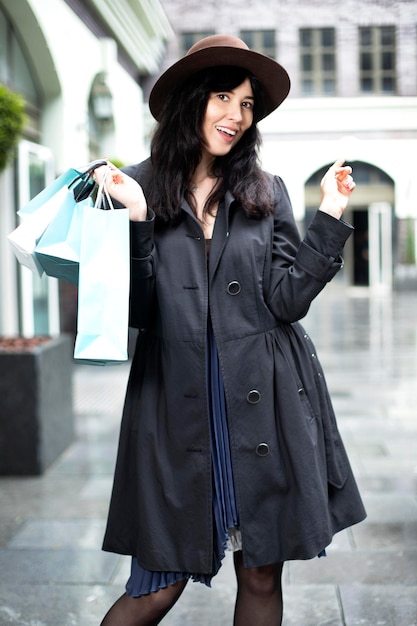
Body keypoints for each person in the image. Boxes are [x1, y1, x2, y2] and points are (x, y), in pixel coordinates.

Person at [95, 35, 366, 626]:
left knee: (262, 571)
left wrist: (330, 216)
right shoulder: (133, 187)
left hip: (263, 401)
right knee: (156, 586)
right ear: (191, 101)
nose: (237, 116)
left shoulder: (264, 192)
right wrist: (137, 223)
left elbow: (288, 300)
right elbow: (135, 311)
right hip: (176, 405)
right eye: (224, 97)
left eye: (247, 105)